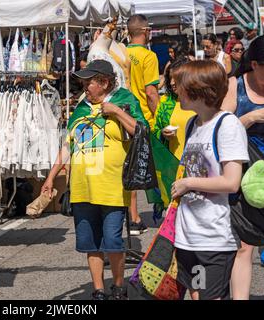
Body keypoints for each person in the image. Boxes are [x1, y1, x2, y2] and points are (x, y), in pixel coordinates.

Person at [41, 60, 147, 300]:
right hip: (82, 188)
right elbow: (68, 146)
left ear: (104, 82)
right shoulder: (80, 108)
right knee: (90, 244)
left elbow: (141, 131)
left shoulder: (124, 100)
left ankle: (119, 287)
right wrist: (51, 176)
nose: (84, 86)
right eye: (84, 82)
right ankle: (98, 289)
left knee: (112, 241)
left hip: (111, 186)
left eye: (89, 82)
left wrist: (117, 111)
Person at [171, 60, 249, 300]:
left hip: (214, 237)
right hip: (188, 235)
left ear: (198, 90)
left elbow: (231, 182)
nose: (176, 90)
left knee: (210, 297)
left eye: (180, 85)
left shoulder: (227, 125)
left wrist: (188, 183)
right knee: (196, 294)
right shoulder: (192, 124)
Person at [222, 35, 264, 300]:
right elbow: (219, 128)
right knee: (243, 245)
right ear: (253, 64)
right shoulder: (235, 85)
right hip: (244, 175)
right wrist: (250, 117)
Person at [126, 14, 160, 235]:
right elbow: (150, 92)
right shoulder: (148, 56)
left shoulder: (119, 53)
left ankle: (132, 216)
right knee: (147, 168)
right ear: (146, 31)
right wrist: (160, 117)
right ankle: (136, 216)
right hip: (142, 118)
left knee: (127, 166)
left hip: (122, 115)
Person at [153, 57, 196, 160]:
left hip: (197, 165)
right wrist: (163, 134)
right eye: (170, 78)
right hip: (172, 166)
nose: (172, 83)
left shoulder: (201, 101)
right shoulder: (165, 102)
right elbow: (155, 131)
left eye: (176, 78)